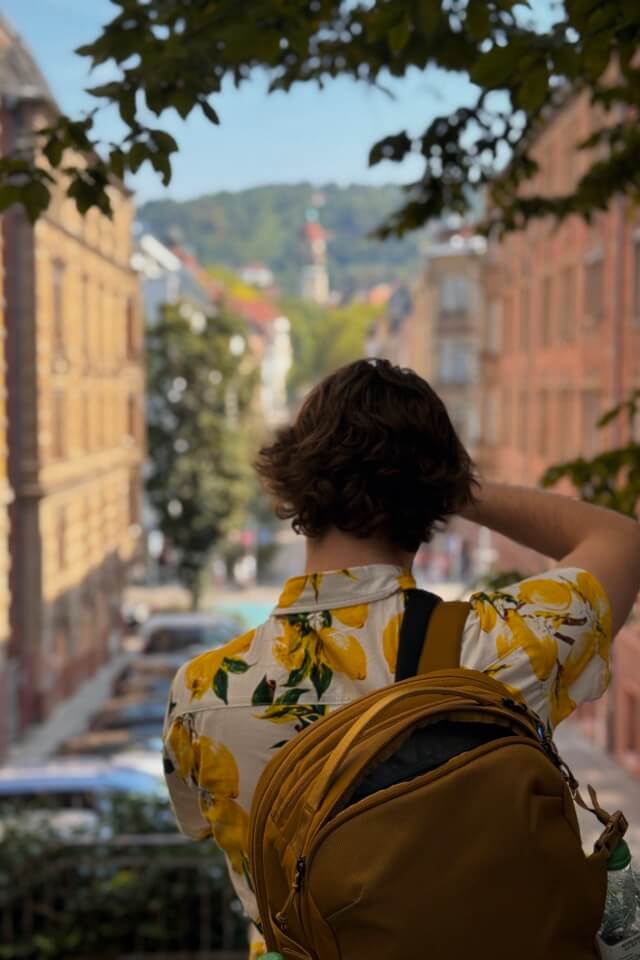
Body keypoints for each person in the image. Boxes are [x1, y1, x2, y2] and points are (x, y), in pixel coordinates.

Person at [162, 358, 640, 959]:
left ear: (293, 483)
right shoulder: (502, 646)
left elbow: (201, 824)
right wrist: (455, 488)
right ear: (432, 499)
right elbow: (622, 540)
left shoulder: (202, 696)